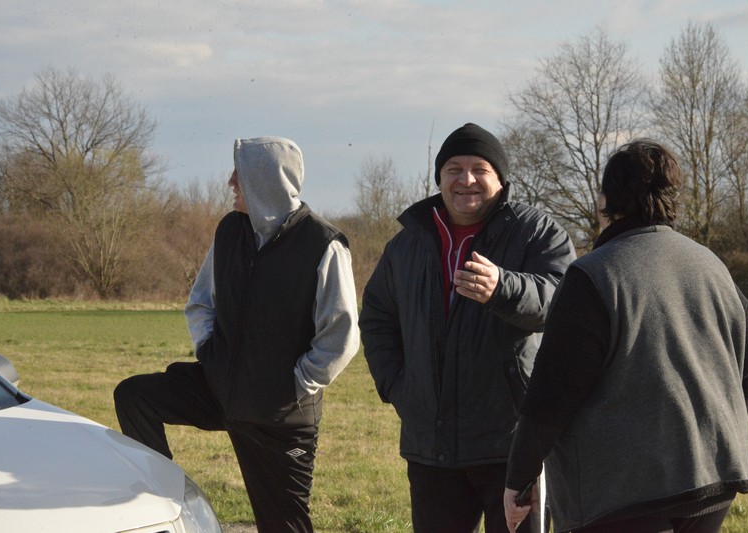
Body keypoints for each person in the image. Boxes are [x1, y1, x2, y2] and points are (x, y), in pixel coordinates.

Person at [504, 139, 748, 533]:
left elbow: (550, 397)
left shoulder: (593, 276)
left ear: (605, 200)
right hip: (714, 483)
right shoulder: (713, 266)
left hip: (623, 495)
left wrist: (517, 480)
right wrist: (722, 441)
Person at [114, 136, 360, 533]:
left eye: (239, 174)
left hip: (278, 415)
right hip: (218, 388)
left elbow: (341, 336)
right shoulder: (230, 230)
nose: (230, 182)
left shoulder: (323, 244)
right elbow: (201, 302)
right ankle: (167, 505)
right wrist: (210, 353)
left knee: (284, 527)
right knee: (135, 396)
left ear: (266, 181)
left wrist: (294, 385)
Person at [359, 122, 575, 533]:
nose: (466, 180)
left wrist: (503, 288)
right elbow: (377, 318)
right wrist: (399, 387)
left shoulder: (538, 233)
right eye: (454, 169)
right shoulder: (407, 244)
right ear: (439, 178)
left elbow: (562, 304)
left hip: (512, 444)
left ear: (501, 179)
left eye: (480, 169)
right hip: (431, 446)